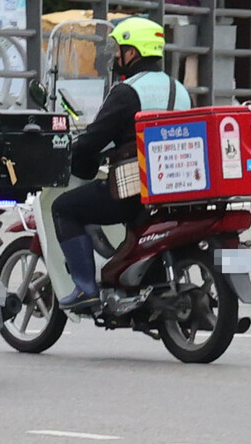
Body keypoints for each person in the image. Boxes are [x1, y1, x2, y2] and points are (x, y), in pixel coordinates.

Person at [52, 17, 192, 311]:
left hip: (134, 190)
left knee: (64, 207)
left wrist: (70, 155)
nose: (116, 56)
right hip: (177, 188)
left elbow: (94, 138)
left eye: (120, 49)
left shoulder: (128, 92)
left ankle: (85, 289)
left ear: (134, 53)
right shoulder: (180, 91)